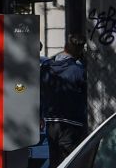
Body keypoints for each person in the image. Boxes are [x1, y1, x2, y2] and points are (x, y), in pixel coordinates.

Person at [40, 35, 88, 165]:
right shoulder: (78, 70)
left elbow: (40, 92)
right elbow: (86, 96)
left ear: (65, 47)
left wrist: (40, 115)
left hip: (51, 121)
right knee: (71, 160)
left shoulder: (46, 68)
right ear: (80, 51)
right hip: (71, 123)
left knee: (55, 160)